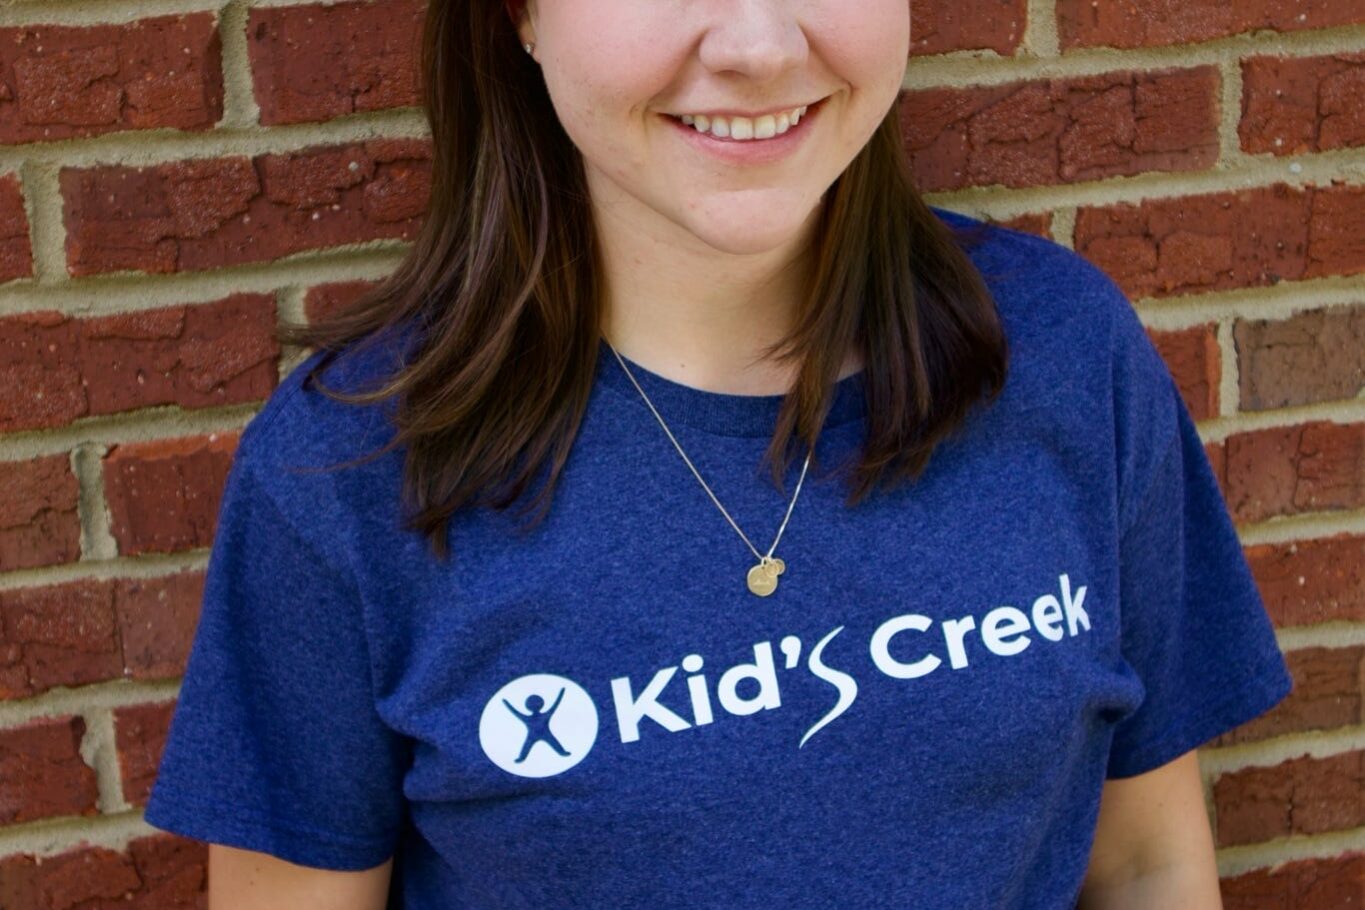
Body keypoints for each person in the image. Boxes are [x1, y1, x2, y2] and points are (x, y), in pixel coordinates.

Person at [142, 0, 1293, 907]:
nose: (757, 45)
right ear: (519, 15)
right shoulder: (347, 474)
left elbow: (1145, 868)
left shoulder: (1061, 356)